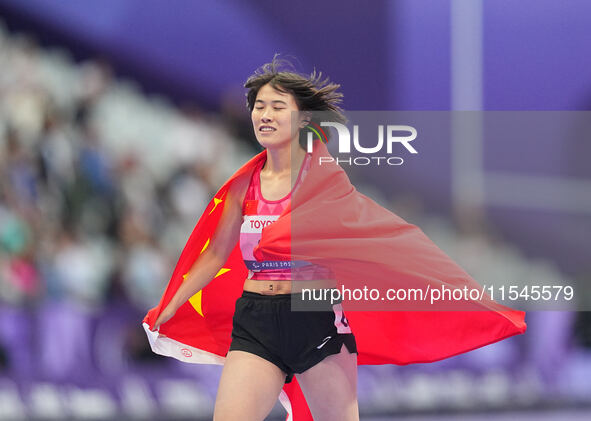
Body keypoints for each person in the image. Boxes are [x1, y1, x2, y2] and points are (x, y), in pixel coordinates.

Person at [143, 55, 527, 421]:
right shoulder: (243, 185)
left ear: (302, 117)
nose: (265, 114)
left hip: (316, 317)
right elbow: (214, 256)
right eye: (259, 106)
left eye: (277, 106)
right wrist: (170, 304)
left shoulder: (324, 179)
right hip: (256, 319)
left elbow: (364, 240)